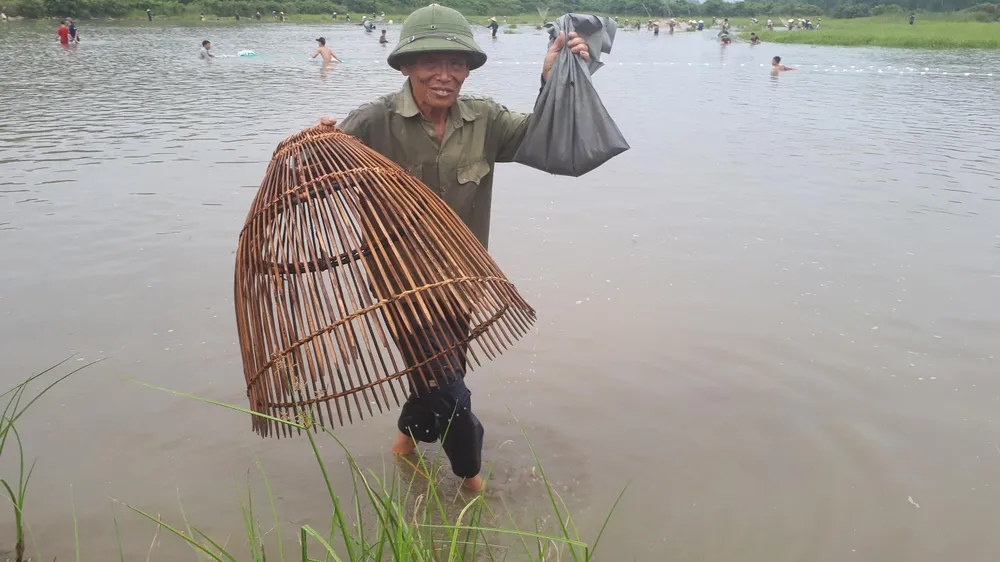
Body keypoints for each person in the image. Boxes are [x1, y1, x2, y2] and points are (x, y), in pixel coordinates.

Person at [315, 4, 590, 494]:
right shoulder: (373, 122)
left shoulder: (485, 119)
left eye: (456, 64)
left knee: (442, 376)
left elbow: (549, 141)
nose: (444, 76)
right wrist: (318, 147)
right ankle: (471, 481)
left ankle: (404, 444)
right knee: (450, 390)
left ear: (468, 70)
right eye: (429, 63)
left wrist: (552, 80)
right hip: (403, 286)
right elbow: (316, 178)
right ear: (405, 67)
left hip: (462, 279)